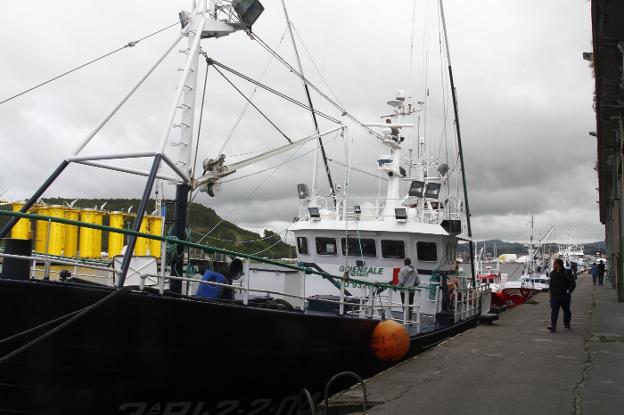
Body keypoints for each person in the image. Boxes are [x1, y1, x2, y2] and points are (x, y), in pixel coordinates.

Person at [547, 258, 576, 332]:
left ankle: (567, 324)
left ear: (558, 264)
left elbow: (573, 283)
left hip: (565, 297)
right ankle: (553, 327)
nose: (553, 265)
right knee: (554, 311)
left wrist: (568, 291)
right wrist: (550, 295)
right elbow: (551, 285)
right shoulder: (552, 273)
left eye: (554, 264)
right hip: (555, 297)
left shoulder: (567, 272)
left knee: (566, 311)